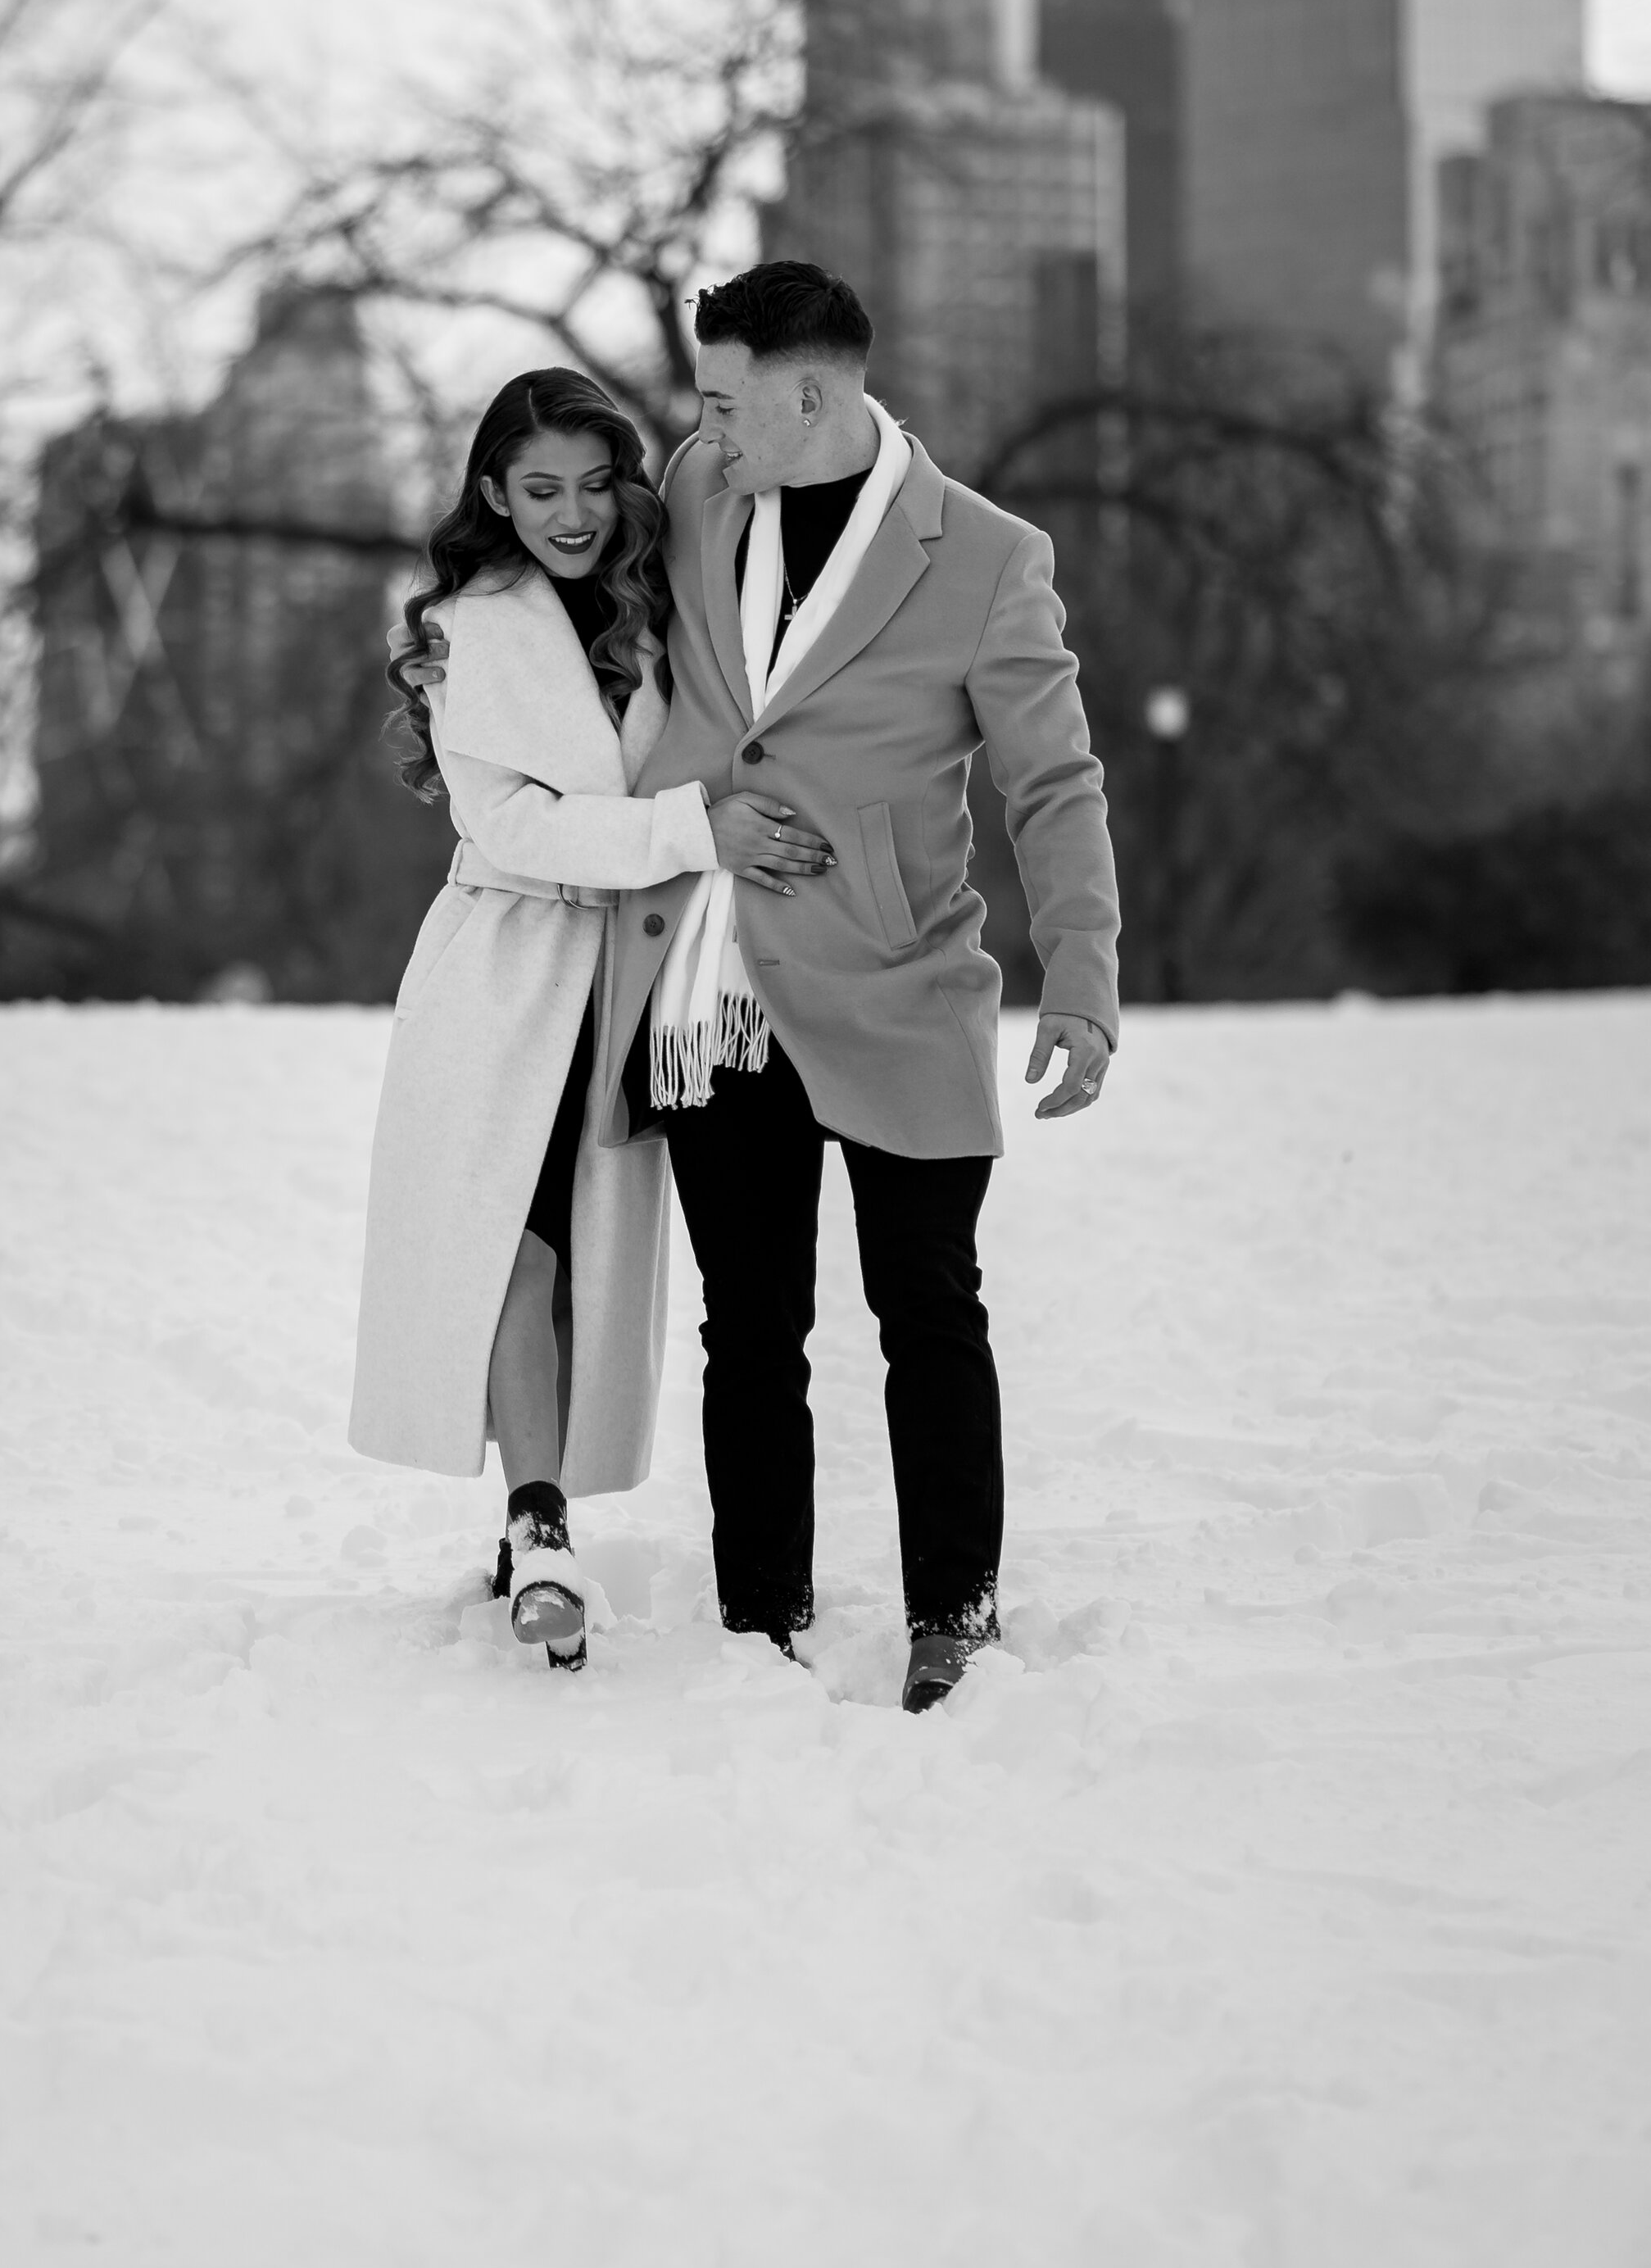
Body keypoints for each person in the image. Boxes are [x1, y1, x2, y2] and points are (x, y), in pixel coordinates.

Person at [596, 259, 1122, 1712]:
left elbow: (1053, 781)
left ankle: (955, 1611)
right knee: (748, 1329)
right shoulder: (702, 488)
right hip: (711, 974)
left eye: (721, 398)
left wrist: (1080, 977)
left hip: (898, 979)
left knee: (928, 1309)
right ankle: (759, 1614)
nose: (697, 426)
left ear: (809, 391)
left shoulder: (986, 557)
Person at [347, 367, 834, 1670]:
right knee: (519, 1252)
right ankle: (540, 1521)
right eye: (539, 488)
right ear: (495, 496)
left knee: (576, 1259)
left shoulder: (661, 606)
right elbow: (509, 822)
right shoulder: (468, 628)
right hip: (505, 969)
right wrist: (691, 828)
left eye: (592, 483)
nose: (570, 513)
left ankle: (533, 1518)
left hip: (630, 970)